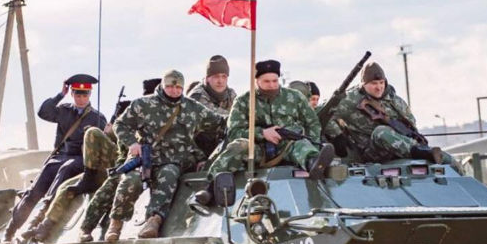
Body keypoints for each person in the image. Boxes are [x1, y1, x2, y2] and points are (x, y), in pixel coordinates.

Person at [103, 69, 225, 241]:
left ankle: (154, 221)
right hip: (145, 158)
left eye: (178, 88)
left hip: (173, 159)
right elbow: (120, 124)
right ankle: (115, 224)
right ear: (162, 85)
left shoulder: (192, 108)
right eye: (170, 87)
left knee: (169, 175)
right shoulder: (143, 104)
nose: (174, 91)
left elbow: (219, 122)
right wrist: (132, 143)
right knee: (131, 181)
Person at [194, 60, 334, 205]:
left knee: (302, 145)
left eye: (275, 81)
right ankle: (210, 187)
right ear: (257, 81)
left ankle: (313, 163)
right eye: (266, 81)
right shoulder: (244, 101)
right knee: (239, 146)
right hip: (258, 150)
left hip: (288, 146)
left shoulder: (295, 97)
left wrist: (312, 142)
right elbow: (233, 132)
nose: (272, 85)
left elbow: (312, 123)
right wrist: (262, 133)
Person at [1, 74, 106, 244]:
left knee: (65, 171)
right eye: (77, 94)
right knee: (34, 192)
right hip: (59, 157)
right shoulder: (64, 110)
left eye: (84, 94)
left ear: (89, 94)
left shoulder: (97, 118)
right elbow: (43, 112)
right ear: (72, 93)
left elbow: (99, 143)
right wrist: (60, 95)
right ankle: (10, 232)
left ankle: (40, 219)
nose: (81, 98)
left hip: (79, 159)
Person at [75, 77, 163, 242]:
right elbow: (122, 149)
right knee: (109, 188)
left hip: (161, 164)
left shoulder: (172, 116)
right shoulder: (133, 118)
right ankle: (86, 227)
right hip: (132, 164)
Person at [325, 61, 456, 167]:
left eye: (381, 83)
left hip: (403, 145)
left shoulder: (395, 101)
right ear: (364, 84)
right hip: (373, 152)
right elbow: (323, 111)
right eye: (374, 83)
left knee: (448, 160)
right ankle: (420, 153)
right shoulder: (350, 99)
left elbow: (411, 125)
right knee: (381, 132)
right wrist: (337, 135)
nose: (379, 87)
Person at [188, 55, 237, 156]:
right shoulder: (197, 96)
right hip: (199, 149)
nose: (220, 81)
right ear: (207, 78)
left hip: (222, 142)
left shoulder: (231, 94)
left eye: (224, 76)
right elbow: (215, 117)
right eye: (216, 76)